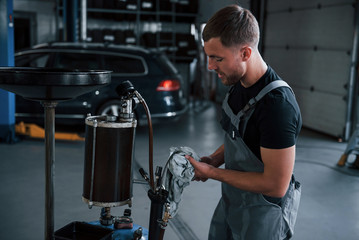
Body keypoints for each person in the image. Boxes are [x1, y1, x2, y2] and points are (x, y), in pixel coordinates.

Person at [186, 5, 302, 240]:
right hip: (232, 203)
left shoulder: (277, 106)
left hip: (263, 217)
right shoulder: (237, 86)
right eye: (209, 56)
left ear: (245, 53)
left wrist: (212, 173)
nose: (210, 66)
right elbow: (238, 138)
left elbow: (275, 184)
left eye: (217, 58)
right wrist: (214, 160)